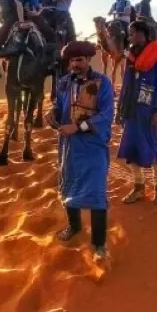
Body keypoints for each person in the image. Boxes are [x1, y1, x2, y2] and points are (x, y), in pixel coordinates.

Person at [46, 40, 114, 261]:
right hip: (69, 145)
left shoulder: (103, 83)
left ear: (88, 60)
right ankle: (74, 226)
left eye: (79, 60)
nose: (75, 64)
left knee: (96, 191)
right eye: (72, 60)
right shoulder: (64, 82)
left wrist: (77, 127)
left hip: (93, 145)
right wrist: (53, 114)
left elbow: (106, 115)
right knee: (69, 185)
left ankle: (99, 244)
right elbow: (59, 105)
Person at [116, 20, 157, 204]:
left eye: (132, 33)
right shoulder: (131, 55)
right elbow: (126, 82)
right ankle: (138, 187)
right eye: (129, 33)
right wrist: (120, 107)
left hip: (149, 110)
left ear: (142, 33)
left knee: (152, 146)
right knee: (131, 147)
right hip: (131, 108)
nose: (129, 36)